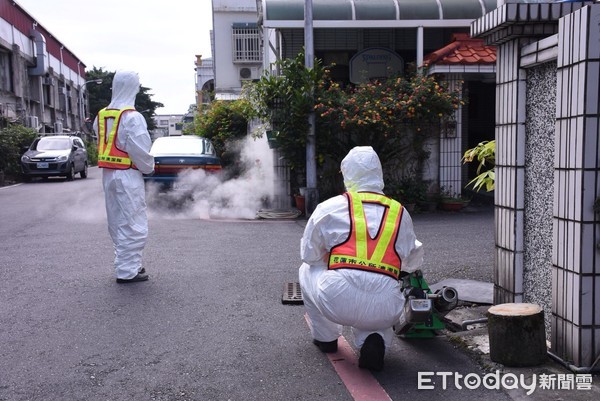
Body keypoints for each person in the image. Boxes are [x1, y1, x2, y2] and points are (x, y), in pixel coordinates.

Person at [299, 146, 424, 371]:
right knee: (381, 297)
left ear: (347, 174)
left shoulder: (330, 207)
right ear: (379, 175)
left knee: (306, 269)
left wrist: (335, 257)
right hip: (386, 305)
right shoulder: (400, 212)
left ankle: (326, 338)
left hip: (337, 299)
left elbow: (309, 255)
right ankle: (375, 340)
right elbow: (412, 261)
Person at [93, 70, 155, 284]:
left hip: (108, 175)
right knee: (133, 222)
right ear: (131, 87)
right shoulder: (132, 117)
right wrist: (148, 168)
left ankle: (128, 264)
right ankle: (128, 271)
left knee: (117, 221)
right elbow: (140, 150)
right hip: (128, 175)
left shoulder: (101, 115)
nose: (138, 88)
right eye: (137, 85)